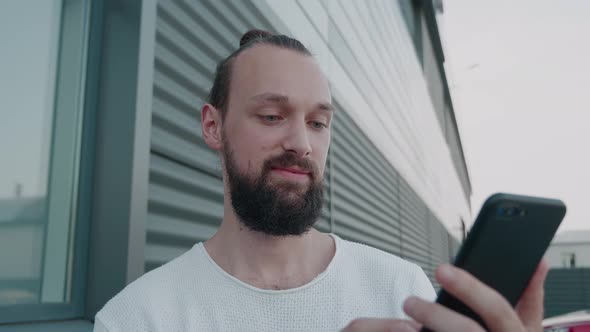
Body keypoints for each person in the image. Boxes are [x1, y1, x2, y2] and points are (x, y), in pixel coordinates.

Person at [94, 30, 549, 332]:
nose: (301, 144)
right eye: (272, 116)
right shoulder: (138, 318)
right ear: (213, 126)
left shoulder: (400, 291)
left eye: (318, 122)